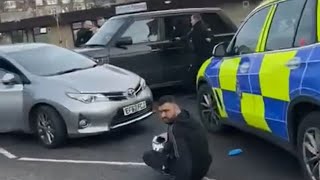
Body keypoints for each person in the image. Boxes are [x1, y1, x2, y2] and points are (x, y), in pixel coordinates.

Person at [143, 95, 212, 180]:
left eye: (166, 111)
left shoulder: (176, 129)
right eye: (160, 112)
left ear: (176, 108)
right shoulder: (189, 117)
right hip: (204, 167)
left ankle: (167, 169)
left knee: (148, 156)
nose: (163, 115)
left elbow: (183, 159)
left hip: (192, 174)